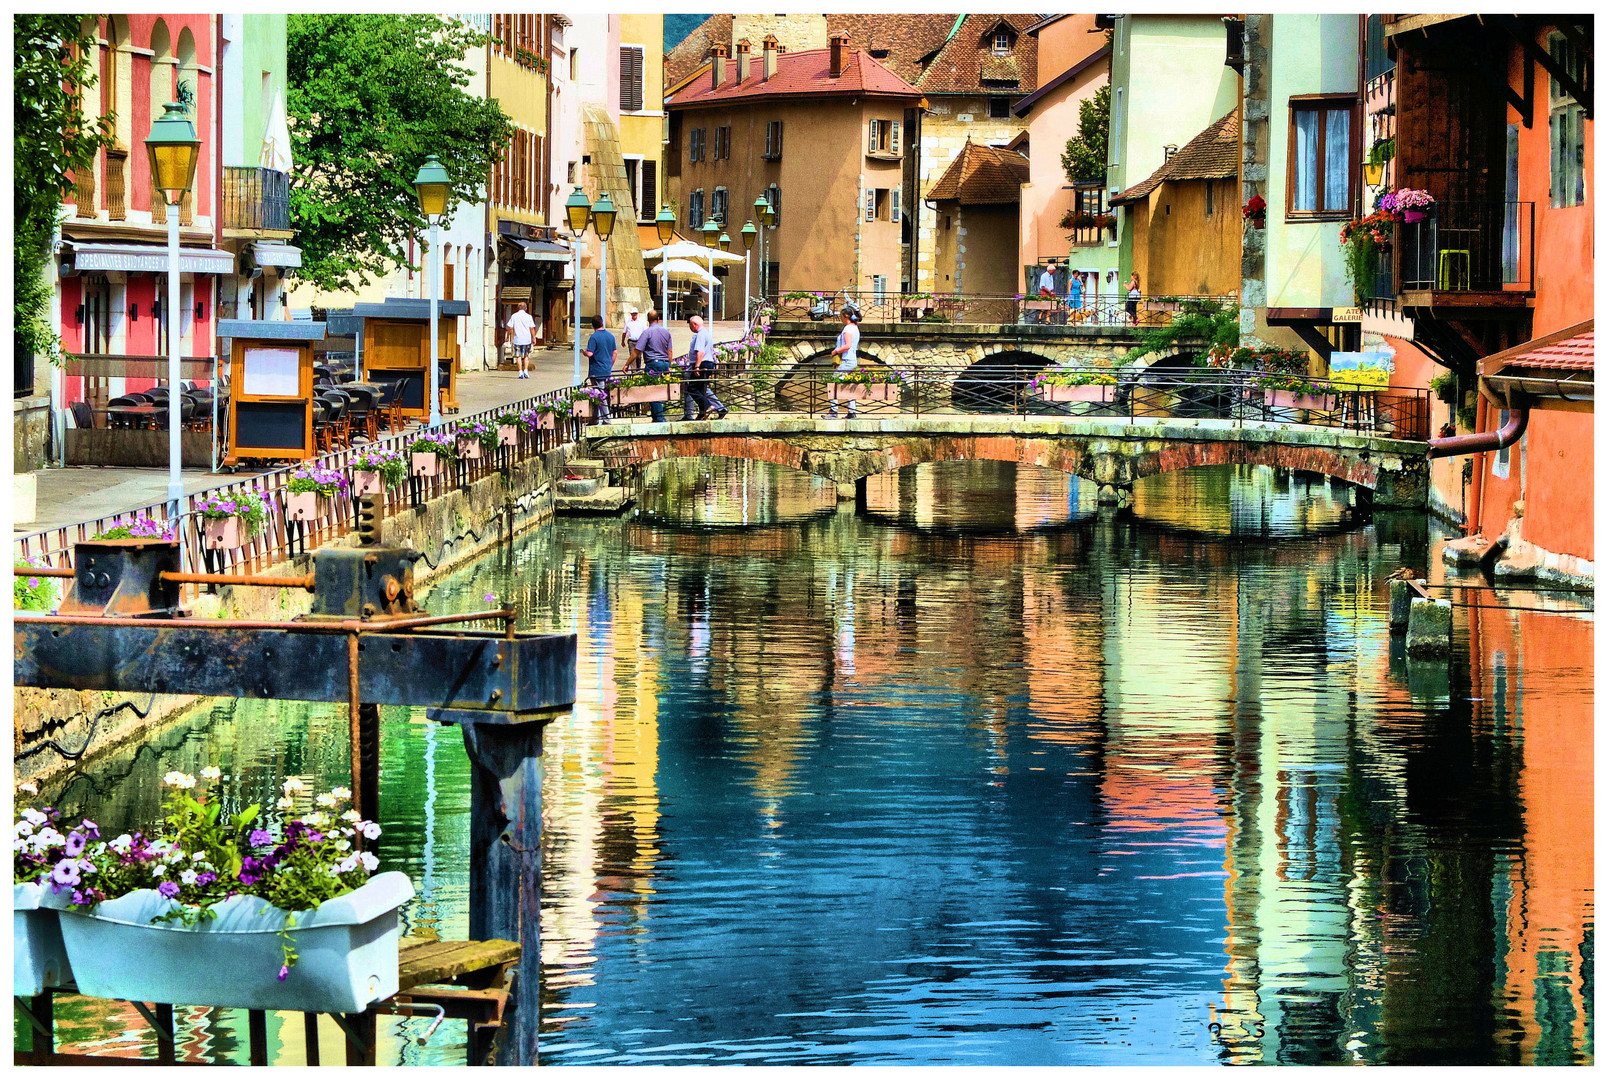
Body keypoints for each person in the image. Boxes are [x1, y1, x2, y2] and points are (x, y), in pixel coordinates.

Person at [682, 314, 727, 421]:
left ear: (695, 324)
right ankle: (704, 413)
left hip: (702, 363)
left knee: (691, 388)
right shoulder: (706, 333)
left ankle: (707, 406)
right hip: (708, 363)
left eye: (691, 326)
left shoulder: (701, 334)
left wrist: (697, 367)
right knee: (701, 389)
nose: (690, 328)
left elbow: (700, 351)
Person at [637, 309, 675, 423]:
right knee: (659, 389)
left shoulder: (647, 333)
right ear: (658, 319)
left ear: (648, 320)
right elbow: (670, 351)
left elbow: (637, 350)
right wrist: (669, 366)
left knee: (654, 390)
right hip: (664, 363)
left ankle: (659, 418)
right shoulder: (666, 332)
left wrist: (627, 364)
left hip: (653, 363)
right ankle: (656, 416)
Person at [826, 304, 862, 419]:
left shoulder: (848, 329)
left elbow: (848, 345)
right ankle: (852, 412)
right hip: (852, 360)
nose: (840, 318)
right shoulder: (855, 327)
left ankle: (833, 411)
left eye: (841, 316)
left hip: (846, 360)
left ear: (845, 316)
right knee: (848, 384)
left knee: (833, 382)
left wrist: (836, 351)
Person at [582, 314, 617, 423]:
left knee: (600, 395)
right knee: (598, 394)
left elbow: (590, 354)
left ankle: (606, 420)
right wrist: (610, 365)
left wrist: (583, 352)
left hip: (596, 370)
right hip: (607, 369)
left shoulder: (594, 337)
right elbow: (614, 353)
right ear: (602, 323)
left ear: (593, 326)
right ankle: (595, 418)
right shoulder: (611, 336)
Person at [506, 301, 537, 379]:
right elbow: (532, 328)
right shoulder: (529, 317)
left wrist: (507, 336)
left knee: (518, 356)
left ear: (518, 308)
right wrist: (534, 338)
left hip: (517, 339)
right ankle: (526, 370)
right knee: (526, 355)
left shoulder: (514, 316)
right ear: (526, 308)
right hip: (527, 339)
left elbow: (510, 327)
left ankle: (520, 372)